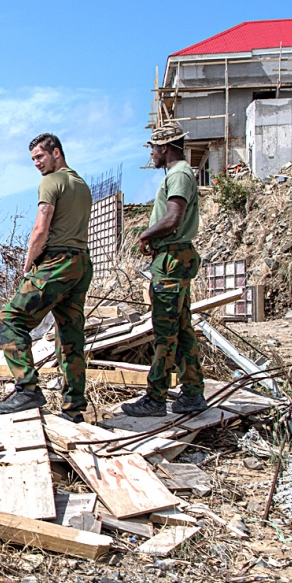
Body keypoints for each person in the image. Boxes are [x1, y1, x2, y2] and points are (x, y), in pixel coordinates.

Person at [0, 133, 93, 421]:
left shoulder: (52, 182)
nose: (37, 163)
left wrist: (28, 265)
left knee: (10, 319)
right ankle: (74, 408)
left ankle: (27, 389)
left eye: (40, 156)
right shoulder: (81, 185)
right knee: (70, 335)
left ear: (56, 153)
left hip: (57, 262)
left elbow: (41, 227)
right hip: (81, 263)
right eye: (34, 159)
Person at [122, 122, 207, 417]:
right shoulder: (178, 174)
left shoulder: (180, 174)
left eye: (154, 148)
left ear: (166, 147)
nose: (152, 155)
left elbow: (173, 218)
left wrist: (146, 235)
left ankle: (156, 398)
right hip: (172, 258)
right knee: (182, 328)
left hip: (171, 261)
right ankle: (193, 393)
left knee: (165, 332)